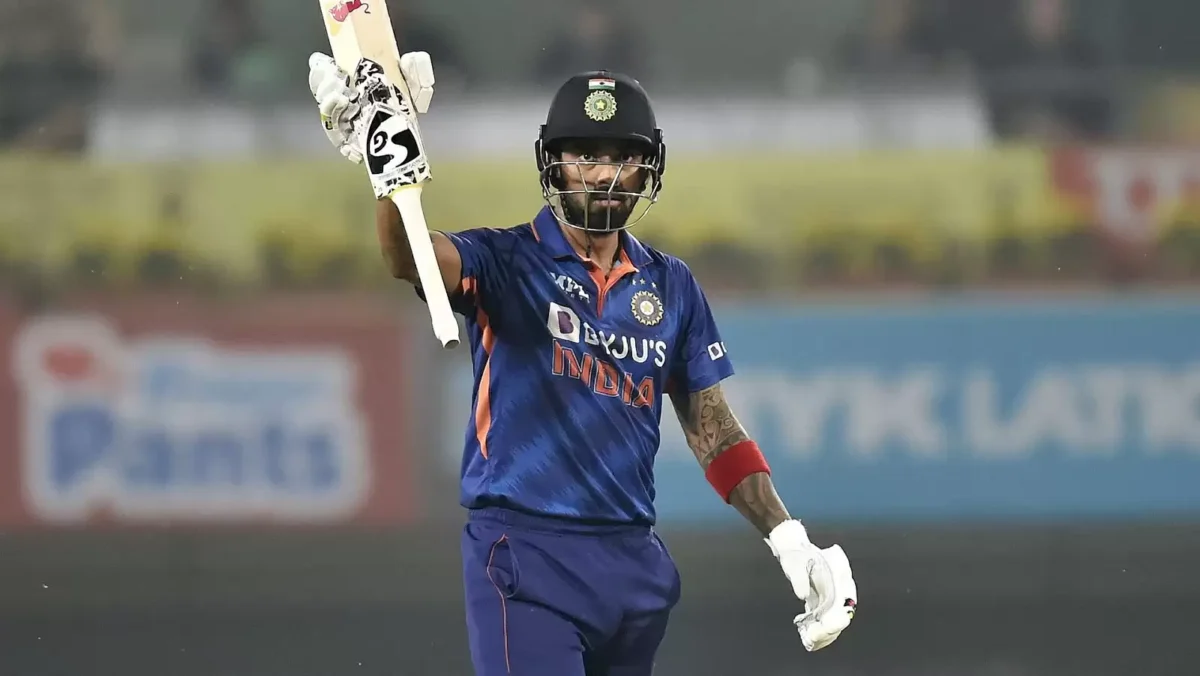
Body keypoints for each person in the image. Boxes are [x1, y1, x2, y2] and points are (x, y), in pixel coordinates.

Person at [307, 52, 857, 675]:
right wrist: (389, 168)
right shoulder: (506, 260)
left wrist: (790, 542)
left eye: (622, 157)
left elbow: (715, 432)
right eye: (585, 155)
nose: (602, 175)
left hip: (634, 568)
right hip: (527, 553)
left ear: (648, 167)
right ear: (553, 162)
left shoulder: (671, 285)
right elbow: (409, 258)